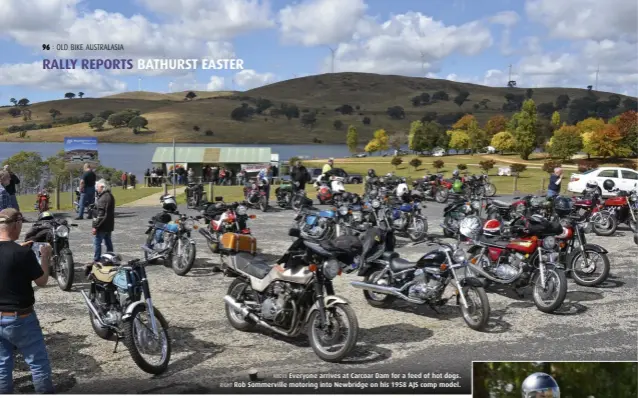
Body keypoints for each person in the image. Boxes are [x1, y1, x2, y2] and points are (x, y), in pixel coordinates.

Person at [0, 208, 54, 393]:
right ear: (16, 224)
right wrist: (45, 258)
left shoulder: (19, 252)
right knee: (38, 363)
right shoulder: (22, 254)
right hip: (21, 318)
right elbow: (42, 281)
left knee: (2, 365)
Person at [90, 179, 115, 272]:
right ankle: (111, 256)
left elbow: (101, 214)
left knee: (97, 242)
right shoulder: (110, 196)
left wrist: (95, 226)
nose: (96, 188)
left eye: (97, 187)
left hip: (102, 225)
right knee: (108, 241)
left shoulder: (104, 198)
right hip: (109, 224)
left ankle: (96, 260)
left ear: (102, 187)